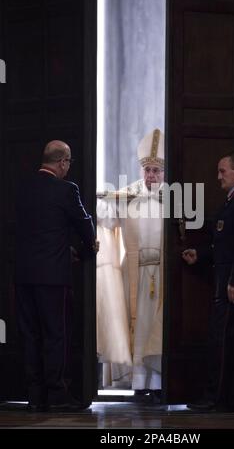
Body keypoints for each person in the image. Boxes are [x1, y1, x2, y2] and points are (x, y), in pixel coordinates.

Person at [15, 140, 98, 412]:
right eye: (68, 163)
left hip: (24, 276)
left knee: (30, 335)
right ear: (62, 162)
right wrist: (88, 249)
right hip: (53, 277)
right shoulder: (66, 190)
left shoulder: (23, 188)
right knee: (56, 335)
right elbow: (85, 226)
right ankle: (57, 395)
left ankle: (34, 396)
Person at [182, 151, 234, 412]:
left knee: (224, 341)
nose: (218, 176)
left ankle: (215, 398)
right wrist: (202, 254)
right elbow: (226, 243)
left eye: (223, 171)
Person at [96, 128, 164, 399]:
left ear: (164, 172)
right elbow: (108, 221)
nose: (151, 176)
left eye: (156, 171)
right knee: (137, 328)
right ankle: (139, 385)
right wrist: (103, 202)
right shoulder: (126, 196)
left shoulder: (174, 197)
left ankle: (158, 384)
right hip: (133, 271)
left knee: (155, 329)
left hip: (161, 271)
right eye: (147, 170)